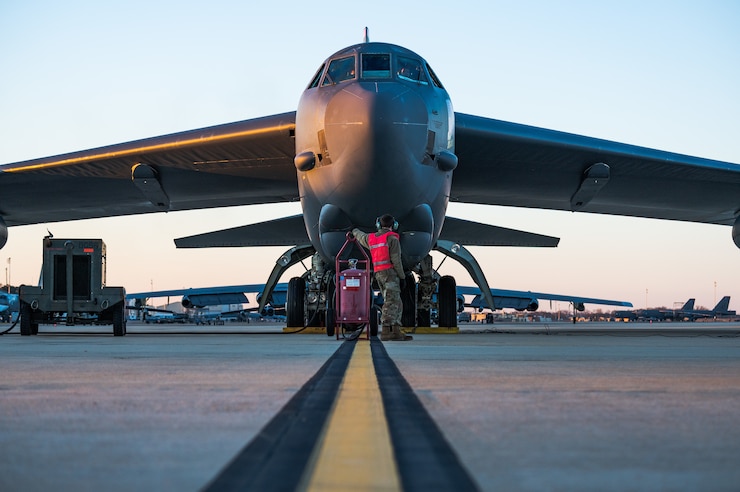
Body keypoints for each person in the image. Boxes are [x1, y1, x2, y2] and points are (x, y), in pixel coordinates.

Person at [352, 215, 412, 341]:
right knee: (391, 302)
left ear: (379, 225)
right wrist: (402, 276)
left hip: (379, 273)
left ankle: (395, 330)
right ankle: (386, 330)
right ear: (394, 225)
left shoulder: (372, 238)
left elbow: (361, 237)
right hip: (390, 273)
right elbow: (396, 259)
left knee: (395, 301)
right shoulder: (392, 238)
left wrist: (354, 231)